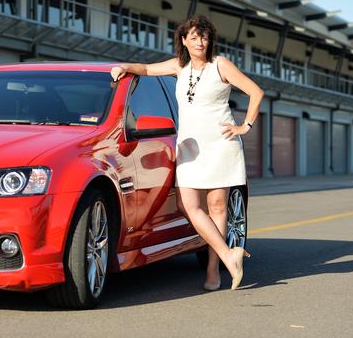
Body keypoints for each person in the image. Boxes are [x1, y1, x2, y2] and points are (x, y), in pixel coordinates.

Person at [110, 15, 263, 291]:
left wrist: (244, 127)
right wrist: (122, 67)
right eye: (193, 37)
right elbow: (145, 68)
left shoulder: (221, 65)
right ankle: (230, 254)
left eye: (203, 37)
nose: (199, 42)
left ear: (209, 40)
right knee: (188, 205)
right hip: (190, 147)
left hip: (220, 144)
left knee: (217, 207)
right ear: (184, 40)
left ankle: (214, 271)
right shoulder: (178, 66)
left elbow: (256, 92)